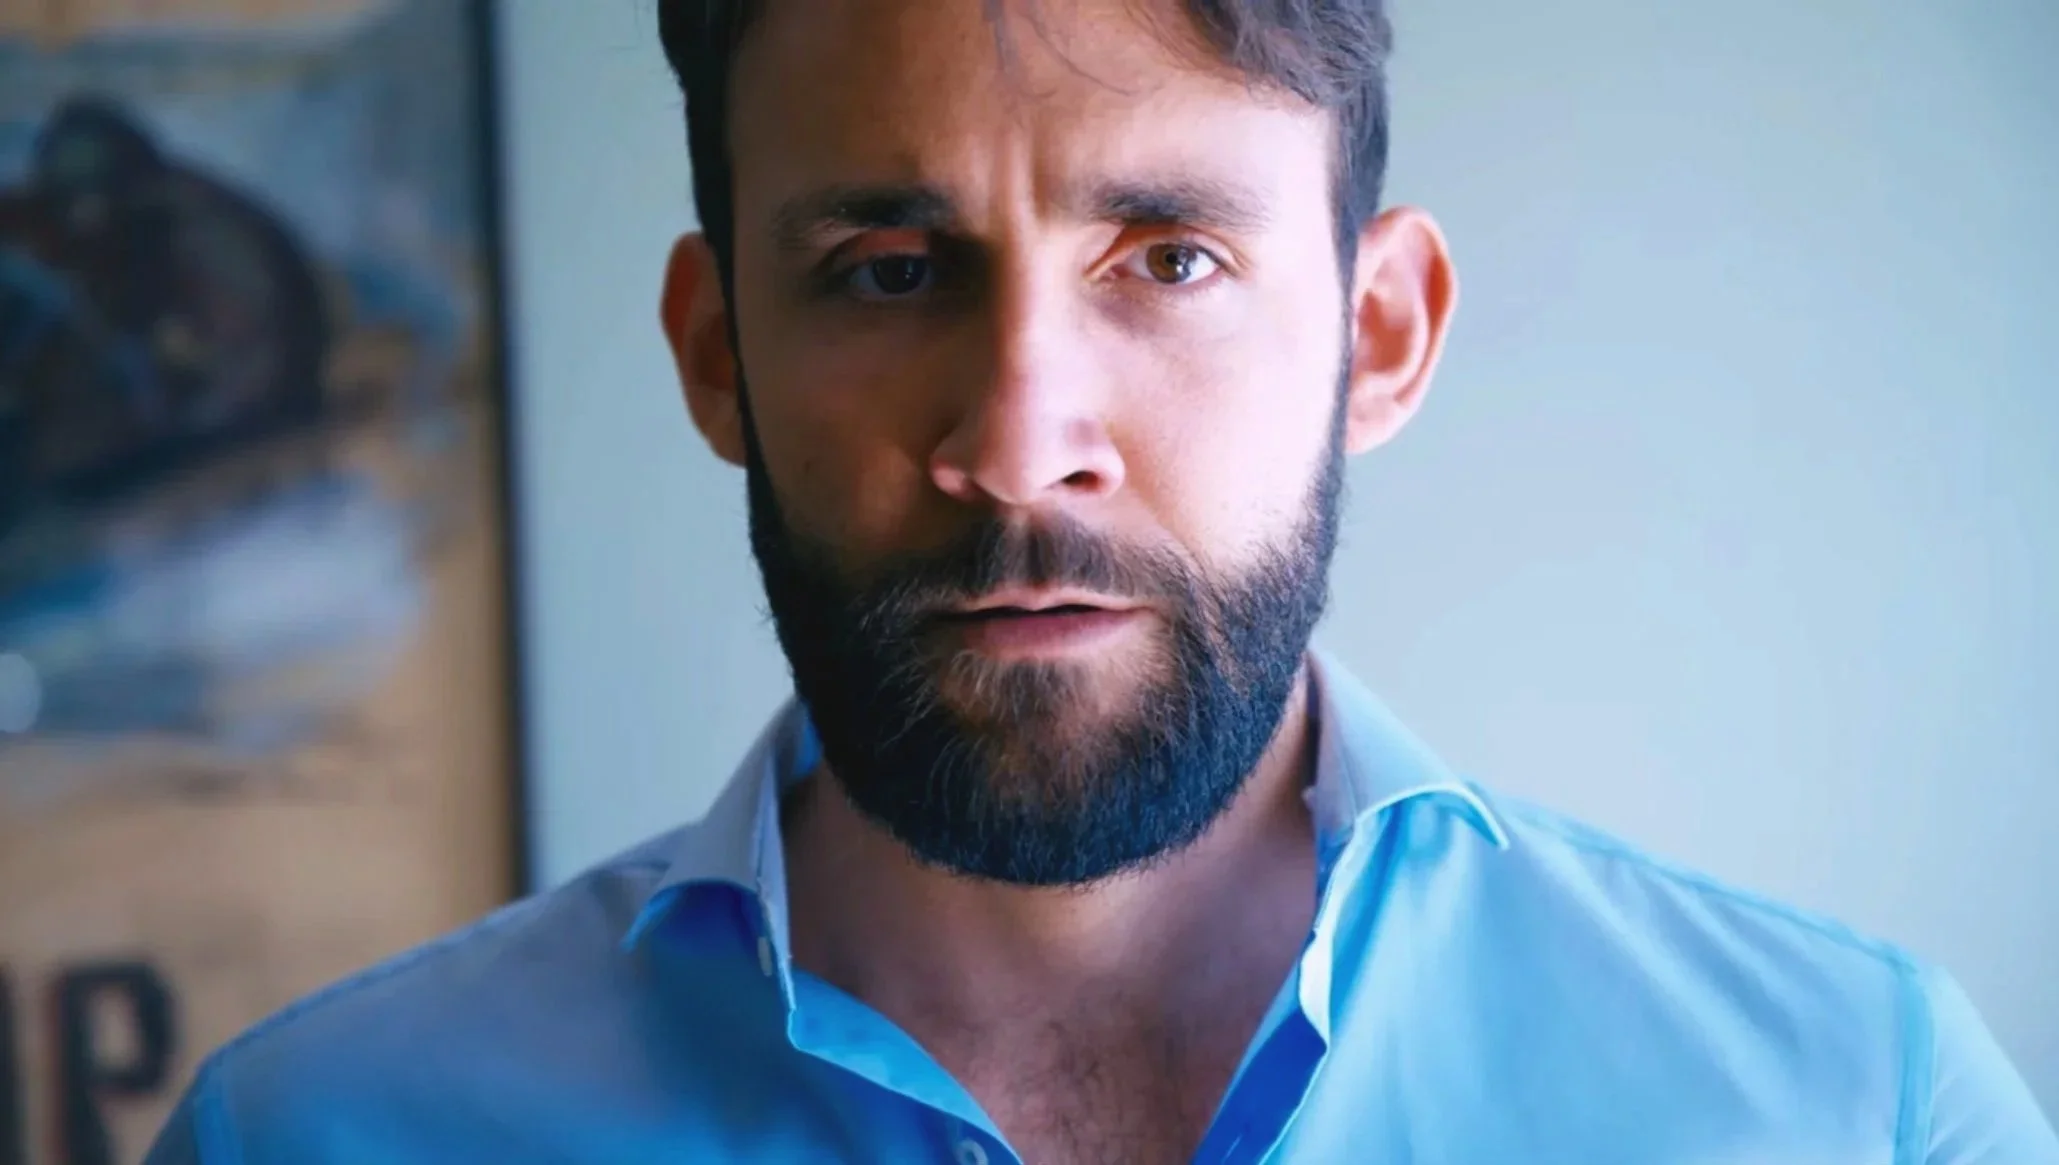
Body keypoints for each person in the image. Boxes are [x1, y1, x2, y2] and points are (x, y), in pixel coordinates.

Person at [146, 0, 2058, 1161]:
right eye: (891, 269)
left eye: (1167, 260)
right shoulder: (312, 1139)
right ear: (718, 354)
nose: (1018, 441)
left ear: (1379, 334)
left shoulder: (1856, 1110)